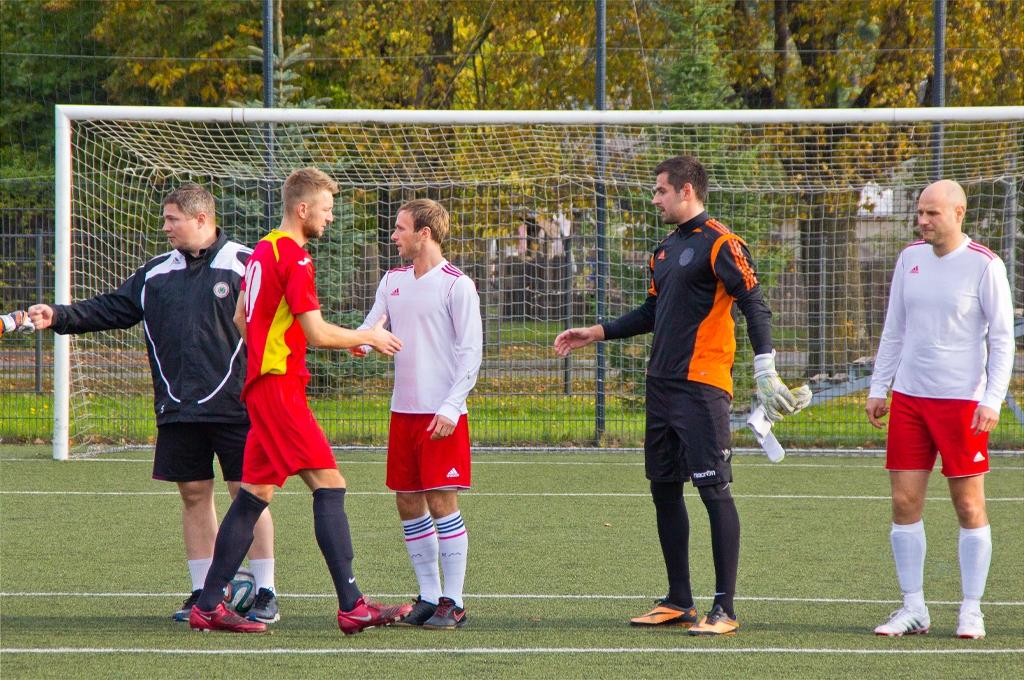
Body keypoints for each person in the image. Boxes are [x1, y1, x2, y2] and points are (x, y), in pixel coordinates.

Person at [554, 155, 807, 636]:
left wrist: (765, 369)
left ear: (686, 190)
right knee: (664, 489)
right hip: (662, 386)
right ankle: (679, 600)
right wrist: (598, 331)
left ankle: (725, 608)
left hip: (703, 387)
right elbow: (653, 310)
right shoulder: (665, 250)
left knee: (714, 490)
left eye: (660, 191)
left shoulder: (722, 243)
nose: (655, 199)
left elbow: (754, 301)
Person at [24, 184, 280, 623]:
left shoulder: (245, 263)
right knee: (194, 494)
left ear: (201, 220)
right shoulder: (156, 272)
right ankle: (203, 592)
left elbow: (282, 321)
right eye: (165, 219)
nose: (165, 227)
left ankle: (265, 592)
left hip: (239, 405)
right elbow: (114, 308)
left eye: (171, 219)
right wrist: (59, 315)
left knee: (247, 496)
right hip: (178, 407)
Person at [187, 167, 410, 634]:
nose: (330, 218)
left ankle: (208, 604)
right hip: (279, 390)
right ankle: (352, 605)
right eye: (326, 210)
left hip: (264, 385)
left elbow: (242, 318)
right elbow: (316, 331)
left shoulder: (262, 250)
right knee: (330, 484)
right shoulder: (295, 257)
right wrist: (368, 334)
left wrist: (277, 345)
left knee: (253, 496)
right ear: (303, 209)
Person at [866, 179, 1014, 640]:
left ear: (958, 213)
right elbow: (895, 328)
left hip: (964, 404)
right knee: (904, 501)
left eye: (932, 213)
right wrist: (879, 386)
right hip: (910, 400)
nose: (922, 220)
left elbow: (1003, 340)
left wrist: (991, 400)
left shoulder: (985, 265)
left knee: (968, 505)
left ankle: (971, 609)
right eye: (920, 212)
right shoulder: (909, 258)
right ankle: (914, 608)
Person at [353, 198, 482, 629]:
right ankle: (428, 595)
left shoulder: (456, 284)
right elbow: (373, 326)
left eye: (401, 228)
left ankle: (454, 600)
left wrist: (450, 406)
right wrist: (361, 342)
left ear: (424, 233)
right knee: (408, 501)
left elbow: (470, 354)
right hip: (403, 412)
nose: (395, 236)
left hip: (442, 413)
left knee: (442, 501)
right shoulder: (392, 280)